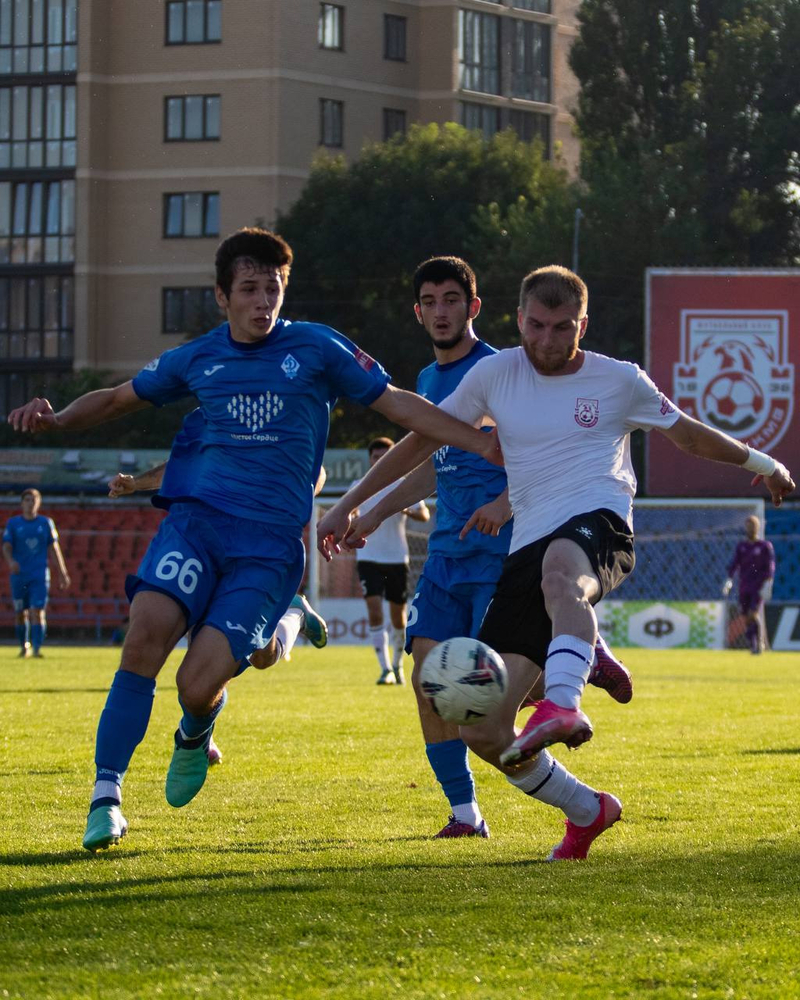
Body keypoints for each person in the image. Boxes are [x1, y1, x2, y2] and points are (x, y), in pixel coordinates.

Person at [8, 226, 501, 853]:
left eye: (273, 288)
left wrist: (477, 439)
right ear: (223, 296)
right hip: (196, 527)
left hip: (267, 550)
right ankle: (106, 797)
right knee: (144, 636)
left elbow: (399, 405)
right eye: (249, 289)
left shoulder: (318, 348)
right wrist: (56, 418)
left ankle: (199, 723)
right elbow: (115, 399)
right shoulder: (198, 358)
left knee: (195, 684)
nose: (263, 301)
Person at [318, 264, 795, 860]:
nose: (546, 341)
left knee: (561, 571)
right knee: (483, 729)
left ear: (582, 325)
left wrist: (763, 463)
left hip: (600, 526)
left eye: (562, 328)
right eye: (536, 327)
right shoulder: (495, 374)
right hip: (525, 549)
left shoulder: (619, 380)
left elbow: (690, 435)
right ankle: (587, 810)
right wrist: (349, 506)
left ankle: (563, 702)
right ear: (519, 320)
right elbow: (424, 439)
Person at [321, 256, 632, 842]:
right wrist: (374, 510)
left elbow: (551, 453)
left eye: (451, 300)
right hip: (446, 558)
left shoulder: (503, 371)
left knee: (500, 693)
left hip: (504, 555)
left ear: (475, 308)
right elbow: (433, 463)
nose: (441, 312)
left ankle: (576, 660)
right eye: (430, 302)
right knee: (432, 684)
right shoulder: (430, 380)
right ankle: (465, 812)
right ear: (417, 312)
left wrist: (506, 501)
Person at [106, 412, 330, 767]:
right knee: (196, 640)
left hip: (255, 551)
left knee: (262, 656)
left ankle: (294, 616)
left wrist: (297, 495)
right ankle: (200, 733)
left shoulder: (283, 408)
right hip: (205, 542)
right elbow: (186, 464)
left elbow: (317, 470)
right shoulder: (213, 407)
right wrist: (137, 483)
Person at [351, 436, 430, 685]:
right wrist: (350, 516)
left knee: (399, 617)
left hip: (397, 558)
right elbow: (349, 511)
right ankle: (384, 669)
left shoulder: (403, 486)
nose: (380, 461)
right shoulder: (359, 486)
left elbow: (424, 514)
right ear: (370, 459)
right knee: (374, 610)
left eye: (385, 456)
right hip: (368, 557)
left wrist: (404, 508)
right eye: (376, 457)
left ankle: (397, 666)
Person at [2, 488, 70, 658]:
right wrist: (11, 562)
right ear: (22, 503)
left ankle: (37, 649)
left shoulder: (46, 523)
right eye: (27, 500)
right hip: (19, 575)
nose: (30, 503)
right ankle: (24, 647)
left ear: (38, 503)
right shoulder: (13, 524)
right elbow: (6, 546)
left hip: (39, 575)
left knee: (38, 611)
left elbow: (54, 548)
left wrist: (62, 572)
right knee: (20, 613)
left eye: (33, 500)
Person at [722, 514, 775, 654]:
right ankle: (754, 644)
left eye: (753, 526)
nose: (750, 529)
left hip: (758, 586)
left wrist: (769, 582)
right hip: (744, 586)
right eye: (748, 526)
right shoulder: (742, 546)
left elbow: (770, 565)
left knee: (753, 613)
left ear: (757, 528)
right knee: (746, 616)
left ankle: (758, 644)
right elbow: (735, 564)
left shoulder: (764, 546)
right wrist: (729, 580)